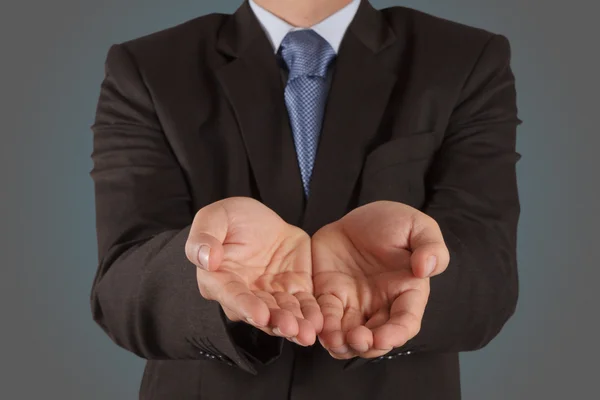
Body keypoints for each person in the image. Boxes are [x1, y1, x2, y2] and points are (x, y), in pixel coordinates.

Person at [89, 0, 521, 398]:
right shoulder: (148, 67)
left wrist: (420, 273)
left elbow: (490, 274)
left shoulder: (464, 58)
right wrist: (208, 277)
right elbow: (119, 286)